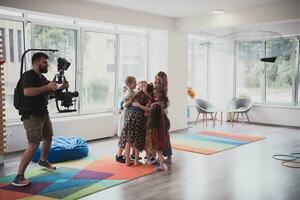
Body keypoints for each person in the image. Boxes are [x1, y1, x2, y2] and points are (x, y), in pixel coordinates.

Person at [12, 52, 69, 187]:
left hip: (42, 112)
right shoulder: (29, 75)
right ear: (37, 63)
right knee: (33, 143)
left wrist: (62, 87)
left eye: (47, 62)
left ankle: (43, 160)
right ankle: (19, 176)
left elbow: (50, 91)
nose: (47, 65)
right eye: (44, 62)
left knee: (48, 137)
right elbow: (27, 92)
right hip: (31, 115)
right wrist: (47, 87)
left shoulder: (41, 77)